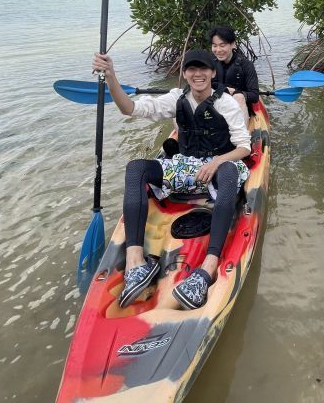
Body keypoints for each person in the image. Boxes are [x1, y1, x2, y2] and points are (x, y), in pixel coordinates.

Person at [93, 49, 252, 310]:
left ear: (212, 72)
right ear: (185, 73)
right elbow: (129, 108)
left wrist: (216, 162)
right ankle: (136, 262)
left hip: (217, 168)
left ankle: (208, 268)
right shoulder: (176, 98)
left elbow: (244, 147)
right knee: (136, 168)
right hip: (185, 166)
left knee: (231, 171)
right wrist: (111, 77)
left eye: (203, 69)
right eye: (192, 69)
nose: (197, 74)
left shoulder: (226, 104)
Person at [208, 25, 259, 117]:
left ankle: (240, 130)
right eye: (214, 46)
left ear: (233, 44)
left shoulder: (246, 65)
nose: (218, 50)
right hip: (217, 104)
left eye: (222, 45)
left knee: (238, 97)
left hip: (239, 106)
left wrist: (237, 93)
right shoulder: (209, 63)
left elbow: (254, 96)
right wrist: (225, 90)